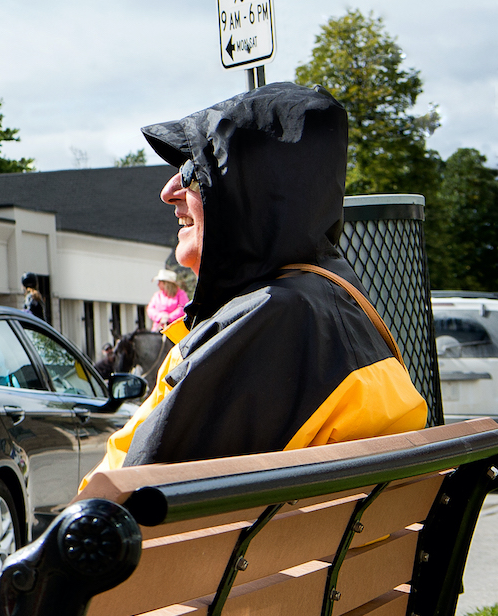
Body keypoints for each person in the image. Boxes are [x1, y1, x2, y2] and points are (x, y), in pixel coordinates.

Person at [91, 82, 427, 472]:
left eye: (192, 170)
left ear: (248, 192)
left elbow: (133, 493)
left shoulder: (263, 325)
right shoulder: (339, 305)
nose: (169, 191)